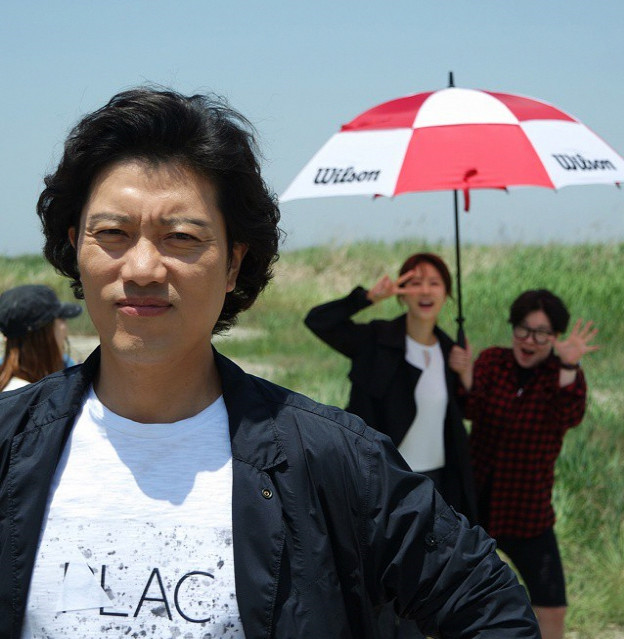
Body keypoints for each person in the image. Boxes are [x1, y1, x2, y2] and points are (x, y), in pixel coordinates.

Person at [0, 87, 539, 639]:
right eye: (112, 233)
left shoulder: (333, 463)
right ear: (76, 247)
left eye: (180, 237)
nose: (141, 268)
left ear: (234, 264)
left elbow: (491, 608)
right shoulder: (10, 444)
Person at [451, 289, 599, 639]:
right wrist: (465, 375)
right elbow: (470, 408)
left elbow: (570, 415)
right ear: (513, 328)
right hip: (477, 503)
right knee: (456, 597)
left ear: (555, 337)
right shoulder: (493, 361)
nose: (529, 340)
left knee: (552, 604)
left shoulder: (560, 375)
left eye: (541, 333)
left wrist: (569, 366)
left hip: (527, 509)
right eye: (523, 329)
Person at [304, 254, 477, 523]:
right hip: (384, 479)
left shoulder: (449, 351)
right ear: (402, 294)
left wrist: (466, 375)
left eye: (434, 283)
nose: (425, 291)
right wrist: (368, 298)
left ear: (446, 294)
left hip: (438, 482)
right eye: (415, 283)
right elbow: (318, 321)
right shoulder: (377, 340)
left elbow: (467, 413)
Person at [0, 284, 82, 392]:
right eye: (61, 318)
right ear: (43, 335)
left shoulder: (14, 389)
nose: (65, 327)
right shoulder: (26, 395)